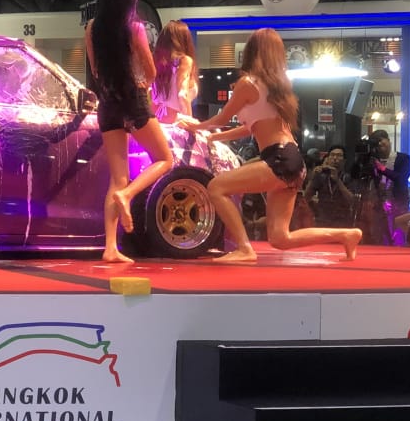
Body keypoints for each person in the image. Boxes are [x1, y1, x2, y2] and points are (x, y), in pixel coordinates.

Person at [179, 28, 362, 263]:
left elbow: (222, 119)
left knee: (216, 187)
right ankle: (347, 235)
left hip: (279, 159)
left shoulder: (248, 83)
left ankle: (244, 248)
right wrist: (213, 138)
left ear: (251, 50)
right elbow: (250, 129)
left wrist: (196, 126)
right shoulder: (277, 88)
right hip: (292, 160)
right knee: (280, 238)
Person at [85, 0, 174, 263]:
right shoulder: (134, 28)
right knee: (165, 159)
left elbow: (95, 70)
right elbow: (150, 72)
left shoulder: (92, 28)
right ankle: (129, 195)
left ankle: (111, 247)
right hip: (133, 101)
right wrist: (140, 81)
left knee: (118, 177)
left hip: (108, 103)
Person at [150, 20, 199, 123]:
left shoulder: (155, 62)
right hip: (176, 122)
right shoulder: (184, 61)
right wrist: (190, 123)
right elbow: (182, 95)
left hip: (157, 122)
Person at [304, 144, 354, 228]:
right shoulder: (321, 176)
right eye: (332, 155)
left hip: (342, 221)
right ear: (328, 158)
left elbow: (352, 200)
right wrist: (313, 178)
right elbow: (306, 197)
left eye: (339, 156)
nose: (335, 158)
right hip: (322, 220)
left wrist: (338, 181)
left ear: (344, 160)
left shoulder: (347, 177)